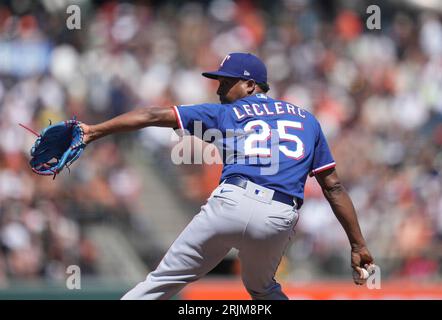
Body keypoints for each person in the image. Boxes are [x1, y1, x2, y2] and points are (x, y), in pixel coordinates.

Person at [80, 52, 374, 300]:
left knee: (159, 283)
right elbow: (333, 187)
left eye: (226, 82)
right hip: (278, 216)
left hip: (230, 204)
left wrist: (94, 131)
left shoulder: (228, 113)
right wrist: (358, 244)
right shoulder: (308, 120)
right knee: (263, 290)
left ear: (250, 85)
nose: (220, 89)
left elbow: (152, 116)